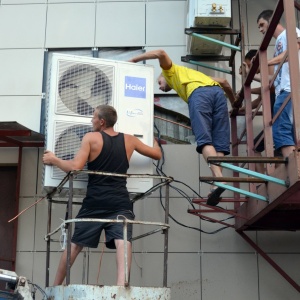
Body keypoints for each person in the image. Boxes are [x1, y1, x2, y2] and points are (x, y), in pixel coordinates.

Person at [43, 104, 162, 286]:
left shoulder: (91, 138)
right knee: (123, 240)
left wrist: (54, 160)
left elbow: (75, 167)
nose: (91, 120)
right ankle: (122, 286)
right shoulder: (130, 140)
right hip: (120, 202)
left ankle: (55, 286)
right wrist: (153, 140)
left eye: (93, 117)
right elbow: (156, 154)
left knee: (75, 244)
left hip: (95, 203)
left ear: (102, 121)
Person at [129, 49, 239, 205]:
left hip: (199, 96)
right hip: (218, 95)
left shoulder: (170, 72)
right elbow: (224, 82)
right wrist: (235, 104)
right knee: (219, 144)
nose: (159, 88)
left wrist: (134, 60)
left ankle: (219, 180)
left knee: (204, 139)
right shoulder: (197, 76)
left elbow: (160, 53)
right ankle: (217, 183)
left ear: (163, 77)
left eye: (159, 83)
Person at [257, 10, 300, 158]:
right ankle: (294, 163)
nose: (261, 30)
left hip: (290, 88)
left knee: (281, 128)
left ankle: (293, 167)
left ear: (272, 21)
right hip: (284, 89)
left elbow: (294, 50)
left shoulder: (292, 31)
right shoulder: (278, 43)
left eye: (262, 25)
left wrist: (265, 62)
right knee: (288, 128)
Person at [237, 49, 277, 174]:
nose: (250, 69)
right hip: (274, 118)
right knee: (255, 147)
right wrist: (241, 108)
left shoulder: (269, 66)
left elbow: (271, 84)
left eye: (250, 65)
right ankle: (263, 179)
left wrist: (247, 90)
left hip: (278, 116)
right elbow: (258, 101)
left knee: (276, 147)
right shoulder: (264, 72)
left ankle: (264, 178)